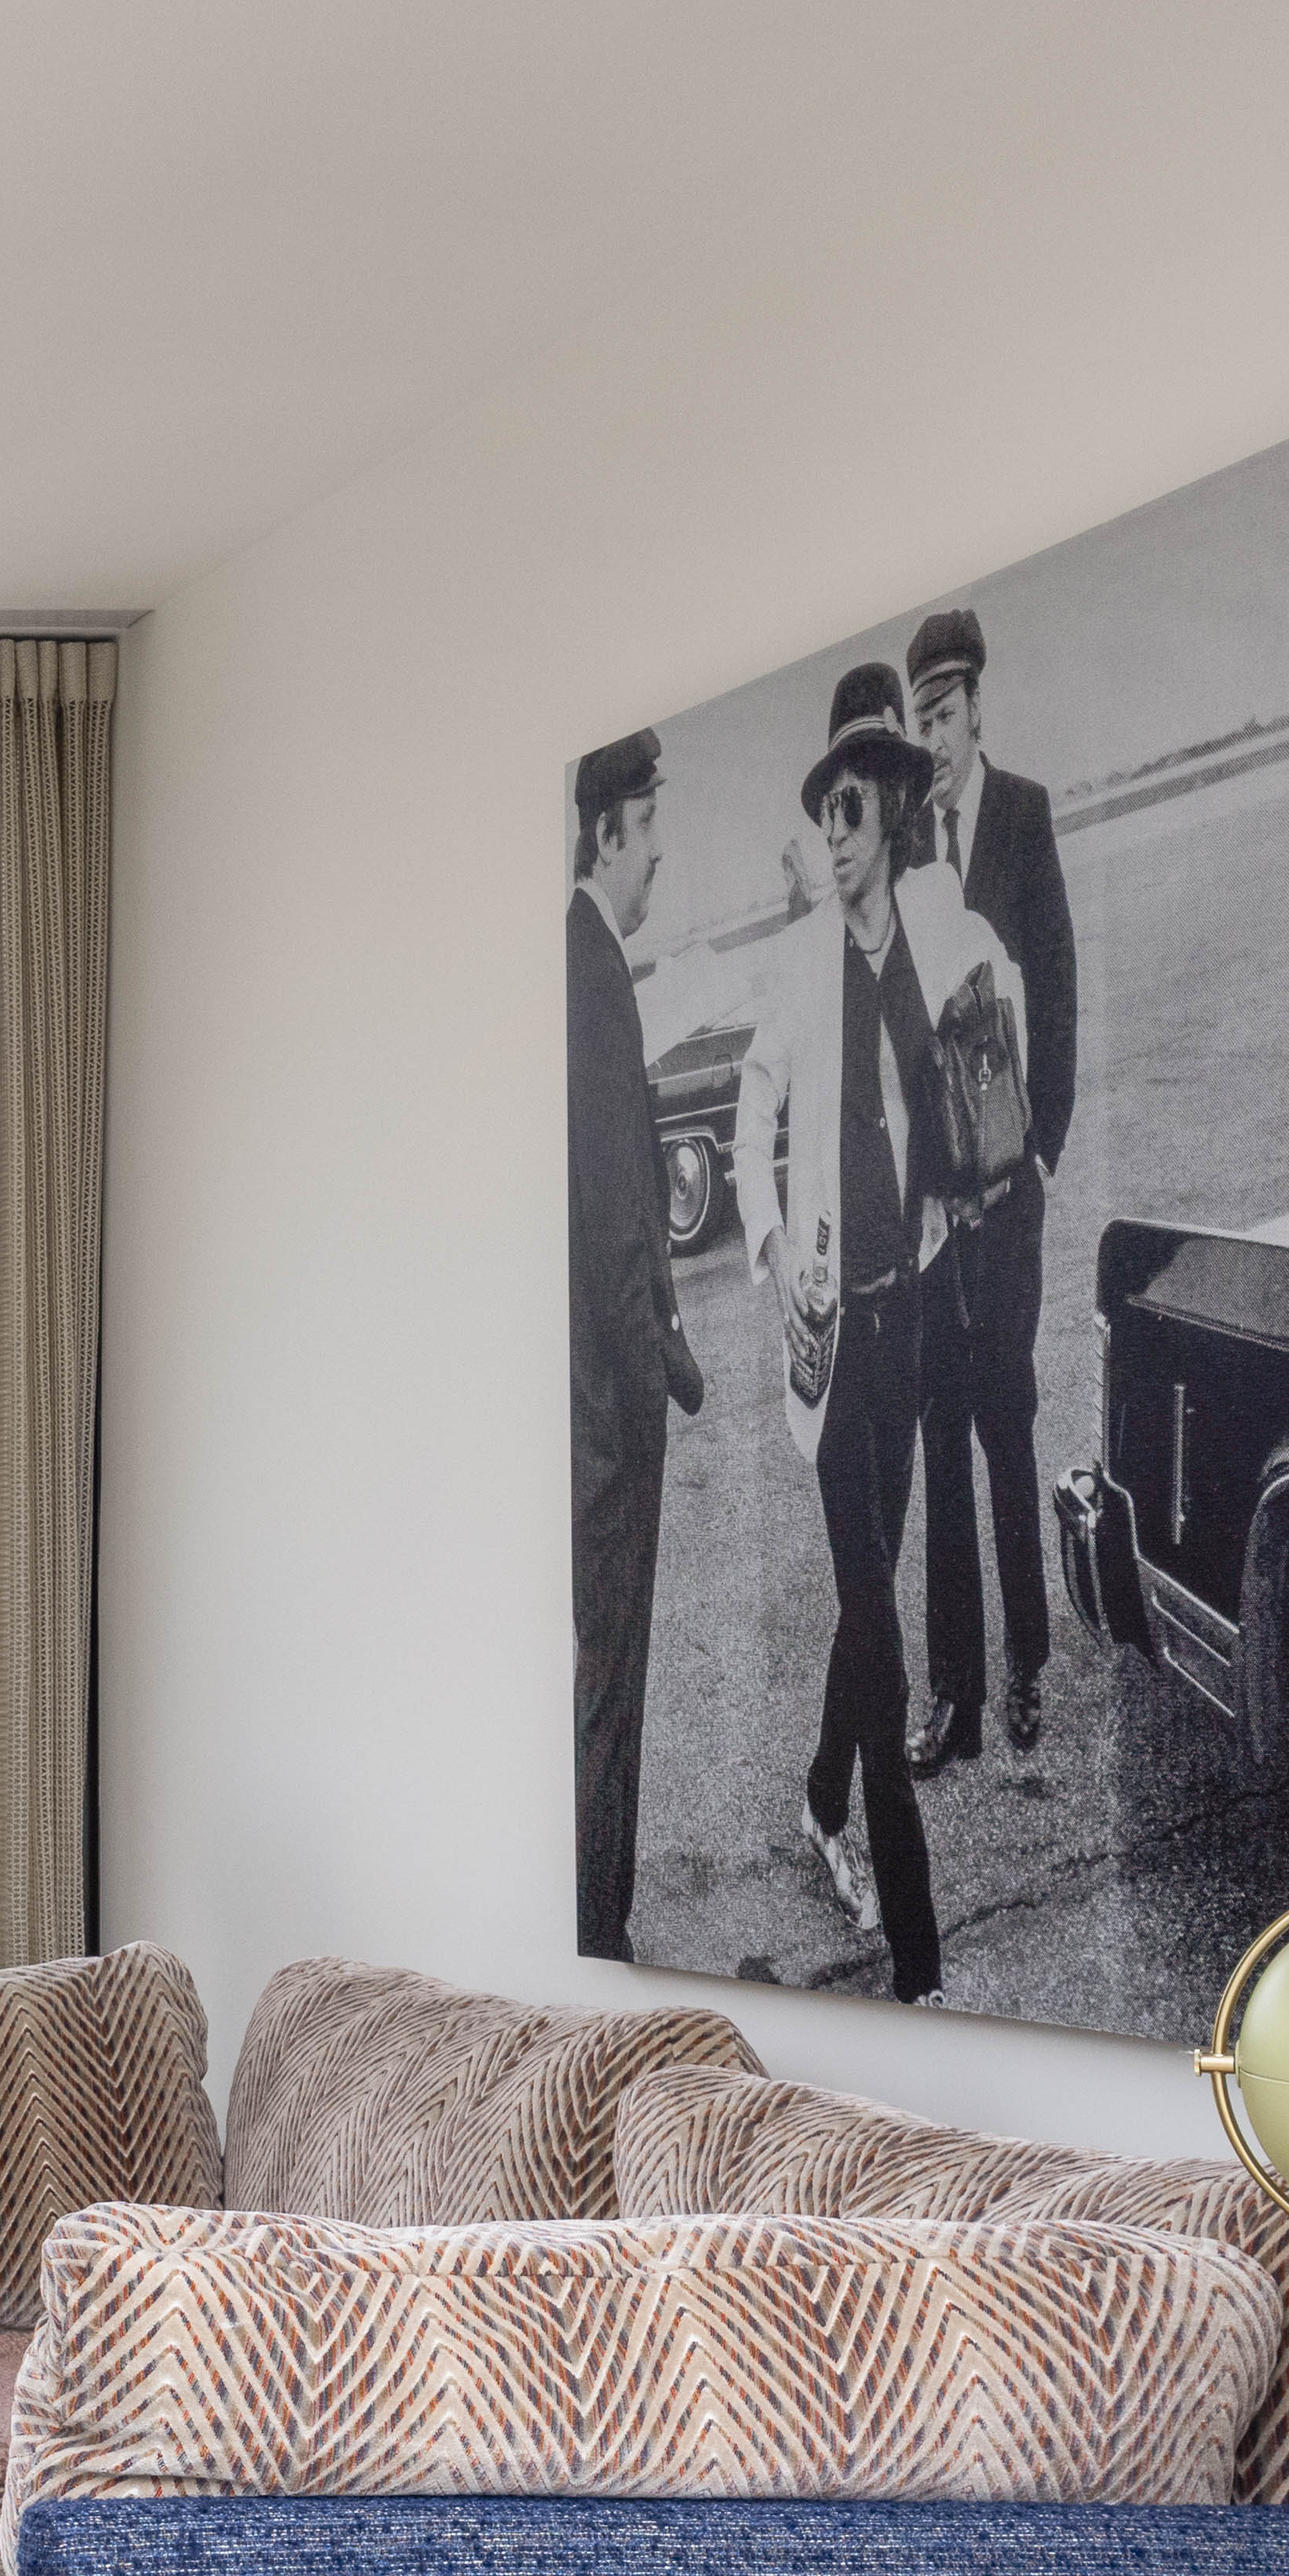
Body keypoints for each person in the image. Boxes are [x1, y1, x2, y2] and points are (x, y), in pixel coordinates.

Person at [735, 702, 995, 2004]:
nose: (832, 840)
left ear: (887, 817)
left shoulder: (932, 930)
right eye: (820, 816)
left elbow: (981, 1037)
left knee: (866, 1592)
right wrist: (775, 1248)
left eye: (851, 814)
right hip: (833, 1347)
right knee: (882, 1639)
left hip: (914, 1325)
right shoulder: (798, 968)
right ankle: (918, 1962)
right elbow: (751, 1110)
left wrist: (972, 1172)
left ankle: (816, 1790)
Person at [905, 606, 1072, 1768]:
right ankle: (953, 1697)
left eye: (948, 713)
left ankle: (1025, 1673)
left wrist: (1046, 1139)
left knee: (1007, 1431)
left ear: (977, 709)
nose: (937, 735)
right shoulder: (907, 848)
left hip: (1010, 1201)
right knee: (941, 1441)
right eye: (921, 719)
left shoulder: (1023, 815)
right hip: (937, 1222)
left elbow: (1058, 981)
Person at [561, 728, 701, 1959]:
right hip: (609, 1419)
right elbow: (613, 1219)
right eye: (651, 826)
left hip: (589, 1402)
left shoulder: (573, 960)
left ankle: (591, 1920)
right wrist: (655, 1371)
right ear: (611, 833)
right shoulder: (592, 971)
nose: (661, 853)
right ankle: (598, 1933)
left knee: (594, 1683)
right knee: (611, 1683)